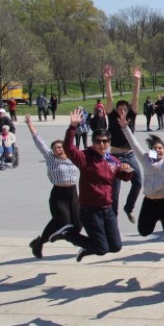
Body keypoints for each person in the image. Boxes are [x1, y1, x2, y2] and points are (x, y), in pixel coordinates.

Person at [50, 108, 134, 262]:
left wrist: (127, 170)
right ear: (93, 143)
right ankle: (68, 233)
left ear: (109, 143)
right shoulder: (85, 158)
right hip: (90, 210)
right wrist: (72, 127)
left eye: (105, 141)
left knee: (115, 247)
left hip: (107, 209)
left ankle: (88, 247)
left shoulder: (111, 160)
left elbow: (124, 176)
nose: (102, 144)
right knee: (102, 249)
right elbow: (69, 148)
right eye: (98, 141)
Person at [25, 114, 81, 259]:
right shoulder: (50, 158)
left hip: (73, 193)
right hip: (59, 194)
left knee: (78, 224)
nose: (58, 150)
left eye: (60, 147)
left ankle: (57, 237)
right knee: (62, 220)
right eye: (55, 148)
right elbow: (38, 141)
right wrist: (29, 124)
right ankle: (39, 243)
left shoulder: (74, 157)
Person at [120, 111, 164, 237]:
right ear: (151, 152)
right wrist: (125, 128)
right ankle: (157, 216)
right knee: (144, 232)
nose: (158, 150)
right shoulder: (146, 160)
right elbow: (135, 144)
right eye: (155, 148)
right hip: (150, 201)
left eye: (160, 148)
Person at [104, 64, 142, 222]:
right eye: (119, 109)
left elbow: (135, 99)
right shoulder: (112, 117)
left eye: (124, 109)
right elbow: (110, 99)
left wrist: (137, 81)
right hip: (115, 156)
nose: (122, 111)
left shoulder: (131, 117)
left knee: (138, 182)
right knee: (114, 190)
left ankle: (129, 207)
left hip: (130, 154)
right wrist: (107, 81)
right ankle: (113, 218)